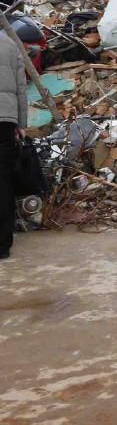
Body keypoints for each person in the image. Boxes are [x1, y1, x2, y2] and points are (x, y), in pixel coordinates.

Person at [0, 30, 27, 259]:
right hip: (5, 120)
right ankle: (2, 245)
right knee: (3, 181)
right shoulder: (10, 43)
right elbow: (21, 86)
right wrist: (21, 123)